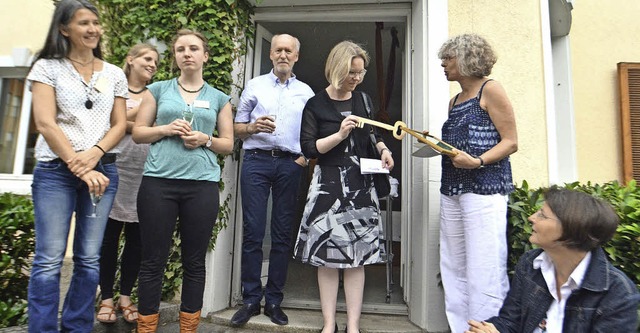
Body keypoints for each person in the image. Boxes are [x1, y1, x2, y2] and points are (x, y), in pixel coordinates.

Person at [26, 0, 127, 331]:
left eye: (96, 23)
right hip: (56, 172)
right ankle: (42, 328)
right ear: (64, 28)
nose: (93, 29)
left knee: (88, 258)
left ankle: (77, 326)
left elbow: (118, 125)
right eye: (84, 23)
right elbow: (45, 123)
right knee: (49, 259)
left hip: (102, 170)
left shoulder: (113, 73)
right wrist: (80, 166)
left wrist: (95, 153)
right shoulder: (46, 67)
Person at [132, 29, 234, 332]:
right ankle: (146, 328)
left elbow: (227, 144)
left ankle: (188, 328)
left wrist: (205, 139)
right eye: (180, 49)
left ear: (205, 55)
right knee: (152, 260)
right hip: (158, 184)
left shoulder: (219, 98)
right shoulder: (159, 90)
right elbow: (138, 132)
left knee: (194, 262)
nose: (186, 53)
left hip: (201, 186)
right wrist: (165, 129)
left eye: (193, 48)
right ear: (175, 56)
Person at [294, 40, 394, 333]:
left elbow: (373, 132)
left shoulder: (363, 100)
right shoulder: (315, 104)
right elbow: (310, 149)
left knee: (357, 260)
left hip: (361, 184)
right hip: (328, 184)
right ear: (337, 69)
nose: (357, 78)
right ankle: (328, 324)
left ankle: (352, 326)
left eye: (361, 73)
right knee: (327, 259)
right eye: (352, 72)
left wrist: (383, 149)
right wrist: (339, 134)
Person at [466, 187, 640, 333]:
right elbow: (511, 321)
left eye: (542, 215)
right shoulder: (530, 264)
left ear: (570, 229)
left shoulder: (618, 293)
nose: (531, 217)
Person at [436, 33, 518, 333]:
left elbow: (511, 142)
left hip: (484, 189)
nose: (444, 64)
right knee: (454, 266)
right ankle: (460, 328)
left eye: (449, 58)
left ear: (467, 59)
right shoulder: (454, 101)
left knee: (484, 267)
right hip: (453, 190)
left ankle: (486, 328)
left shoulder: (491, 90)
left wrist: (478, 161)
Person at [231, 33, 314, 327]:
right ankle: (251, 299)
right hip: (256, 161)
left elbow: (312, 133)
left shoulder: (306, 92)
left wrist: (304, 158)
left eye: (288, 51)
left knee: (281, 233)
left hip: (290, 164)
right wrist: (253, 127)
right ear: (271, 54)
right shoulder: (254, 85)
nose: (283, 55)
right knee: (253, 231)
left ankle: (275, 300)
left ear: (296, 56)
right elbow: (236, 129)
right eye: (278, 50)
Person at [96, 43, 159, 324]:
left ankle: (124, 297)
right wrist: (136, 121)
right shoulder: (111, 89)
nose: (152, 64)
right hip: (112, 170)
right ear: (130, 60)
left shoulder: (155, 94)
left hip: (144, 173)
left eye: (156, 61)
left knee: (137, 240)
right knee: (109, 238)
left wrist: (125, 121)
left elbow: (143, 128)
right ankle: (106, 297)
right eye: (147, 58)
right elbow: (109, 124)